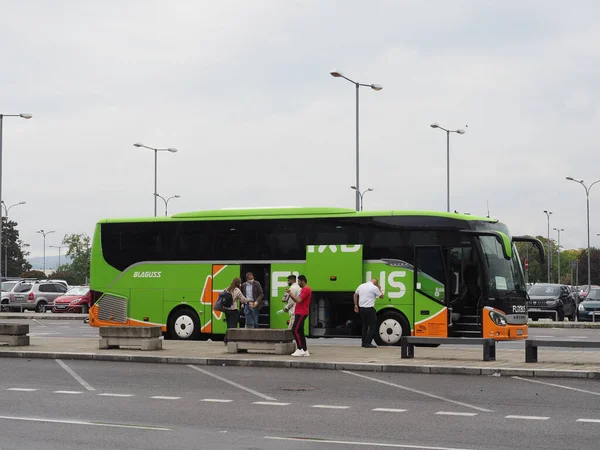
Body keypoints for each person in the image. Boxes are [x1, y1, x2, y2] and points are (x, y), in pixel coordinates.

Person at [286, 274, 312, 357]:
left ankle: (300, 348)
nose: (298, 283)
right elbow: (296, 300)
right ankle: (305, 350)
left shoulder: (306, 289)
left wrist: (290, 293)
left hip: (301, 312)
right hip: (299, 311)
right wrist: (290, 294)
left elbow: (299, 300)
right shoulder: (303, 289)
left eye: (299, 281)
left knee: (295, 329)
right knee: (300, 331)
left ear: (302, 281)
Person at [354, 278, 384, 348]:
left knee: (365, 325)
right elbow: (382, 296)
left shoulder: (361, 286)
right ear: (376, 283)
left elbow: (355, 295)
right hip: (369, 309)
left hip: (362, 309)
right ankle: (368, 342)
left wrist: (356, 305)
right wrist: (379, 288)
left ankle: (363, 342)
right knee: (372, 326)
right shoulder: (374, 288)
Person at [223, 277, 250, 344]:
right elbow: (242, 299)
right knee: (233, 326)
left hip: (226, 309)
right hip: (233, 310)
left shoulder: (227, 288)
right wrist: (250, 300)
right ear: (238, 283)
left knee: (228, 326)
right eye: (240, 283)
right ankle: (231, 341)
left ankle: (226, 340)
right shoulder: (236, 290)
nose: (240, 284)